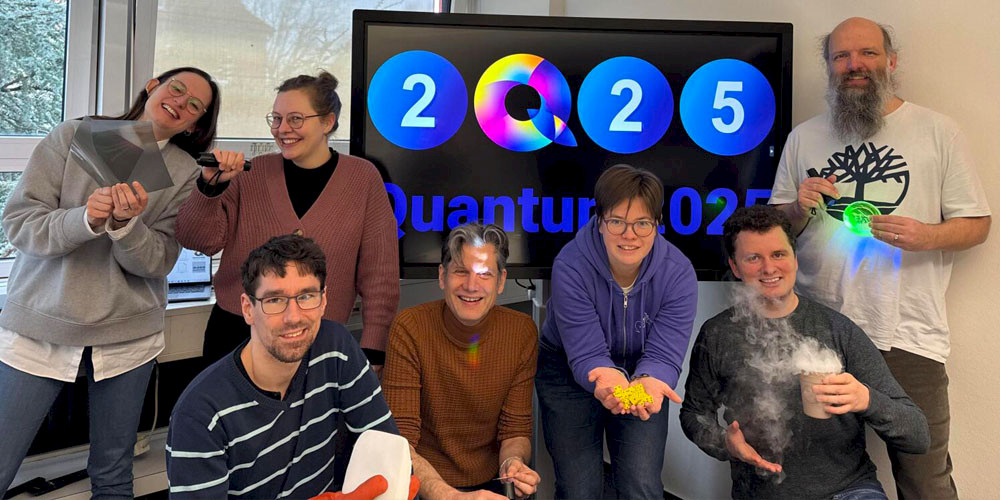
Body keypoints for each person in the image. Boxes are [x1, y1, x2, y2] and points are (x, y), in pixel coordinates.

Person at [769, 17, 990, 499]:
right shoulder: (804, 137)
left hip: (907, 334)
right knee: (809, 474)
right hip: (817, 334)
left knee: (924, 478)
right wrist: (797, 208)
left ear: (891, 61)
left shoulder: (938, 131)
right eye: (841, 56)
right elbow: (774, 232)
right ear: (829, 66)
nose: (855, 65)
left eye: (867, 53)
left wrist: (927, 236)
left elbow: (978, 224)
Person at [0, 66, 219, 496]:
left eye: (195, 105)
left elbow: (157, 261)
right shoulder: (75, 135)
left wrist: (124, 226)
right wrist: (84, 219)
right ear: (152, 86)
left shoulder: (185, 172)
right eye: (176, 88)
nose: (181, 102)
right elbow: (20, 225)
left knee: (114, 472)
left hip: (128, 335)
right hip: (42, 325)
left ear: (196, 124)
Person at [680, 205, 930, 499]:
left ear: (795, 259)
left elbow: (918, 435)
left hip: (848, 491)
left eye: (778, 254)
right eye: (753, 258)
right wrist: (724, 442)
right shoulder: (718, 333)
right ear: (734, 266)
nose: (769, 268)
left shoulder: (838, 329)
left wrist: (866, 399)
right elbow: (693, 414)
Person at [175, 70, 398, 370]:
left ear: (327, 122)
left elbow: (379, 273)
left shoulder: (363, 178)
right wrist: (208, 188)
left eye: (295, 119)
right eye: (276, 119)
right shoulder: (249, 174)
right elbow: (197, 240)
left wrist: (374, 347)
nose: (282, 129)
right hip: (237, 335)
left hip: (318, 339)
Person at [166, 234, 400, 498]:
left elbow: (387, 448)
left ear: (323, 301)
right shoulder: (200, 414)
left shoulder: (336, 348)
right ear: (248, 308)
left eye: (306, 296)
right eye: (274, 300)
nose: (293, 317)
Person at [535, 164, 698, 499]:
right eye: (617, 222)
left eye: (642, 223)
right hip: (567, 368)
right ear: (599, 221)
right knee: (578, 488)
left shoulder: (678, 273)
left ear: (657, 223)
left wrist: (651, 379)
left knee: (642, 483)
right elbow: (587, 352)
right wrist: (606, 378)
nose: (630, 234)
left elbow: (664, 353)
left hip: (642, 370)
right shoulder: (570, 266)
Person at [383, 223, 541, 499]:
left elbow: (515, 430)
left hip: (489, 481)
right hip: (422, 483)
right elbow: (400, 443)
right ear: (442, 276)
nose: (471, 285)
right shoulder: (409, 328)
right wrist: (452, 496)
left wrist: (512, 464)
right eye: (460, 271)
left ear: (501, 281)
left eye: (484, 274)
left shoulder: (521, 331)